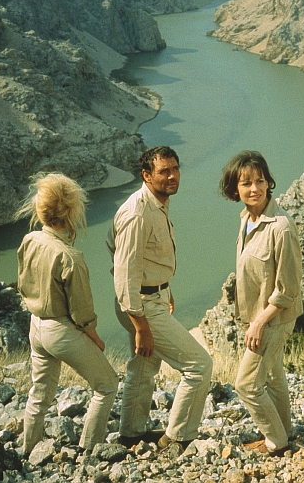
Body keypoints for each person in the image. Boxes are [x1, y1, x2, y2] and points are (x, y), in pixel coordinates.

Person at [107, 145, 213, 450]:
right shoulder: (137, 213)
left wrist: (164, 286)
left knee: (143, 367)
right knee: (198, 365)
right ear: (146, 175)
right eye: (164, 171)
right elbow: (124, 273)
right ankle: (177, 438)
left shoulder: (156, 203)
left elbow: (141, 257)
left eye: (175, 168)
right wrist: (141, 326)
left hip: (149, 297)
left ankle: (131, 435)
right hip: (139, 305)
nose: (172, 176)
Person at [16, 173, 119, 455]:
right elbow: (82, 310)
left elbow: (23, 282)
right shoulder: (70, 257)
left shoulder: (30, 239)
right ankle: (90, 449)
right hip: (61, 331)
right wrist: (95, 337)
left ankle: (27, 450)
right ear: (72, 211)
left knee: (40, 393)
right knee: (107, 385)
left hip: (36, 326)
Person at [219, 151, 303, 457]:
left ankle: (276, 440)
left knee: (247, 385)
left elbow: (288, 289)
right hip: (259, 317)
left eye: (260, 180)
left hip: (273, 319)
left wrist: (258, 323)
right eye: (246, 183)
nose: (255, 188)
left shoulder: (280, 227)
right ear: (234, 189)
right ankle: (285, 430)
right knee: (273, 375)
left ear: (269, 182)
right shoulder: (247, 219)